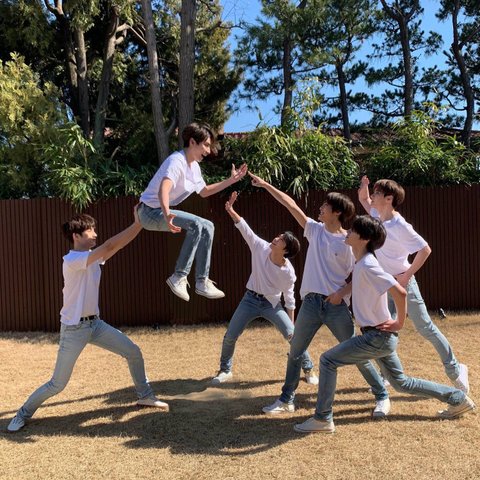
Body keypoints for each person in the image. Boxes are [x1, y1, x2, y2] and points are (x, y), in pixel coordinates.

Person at [294, 215, 476, 434]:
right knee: (401, 383)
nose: (348, 232)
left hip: (376, 337)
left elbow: (400, 291)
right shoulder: (363, 263)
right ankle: (458, 398)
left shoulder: (368, 265)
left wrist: (399, 322)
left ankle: (323, 418)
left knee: (327, 360)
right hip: (379, 337)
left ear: (364, 239)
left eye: (353, 230)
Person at [7, 207, 168, 433]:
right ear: (76, 236)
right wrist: (138, 222)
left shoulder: (93, 258)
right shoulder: (72, 260)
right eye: (90, 231)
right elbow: (109, 245)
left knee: (133, 351)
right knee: (57, 384)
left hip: (95, 325)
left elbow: (117, 246)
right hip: (74, 329)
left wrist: (139, 225)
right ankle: (22, 414)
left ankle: (145, 396)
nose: (95, 234)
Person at [249, 174, 389, 417]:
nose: (321, 208)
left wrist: (341, 293)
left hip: (336, 306)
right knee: (295, 351)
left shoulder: (349, 242)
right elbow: (290, 204)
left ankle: (382, 395)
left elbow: (359, 275)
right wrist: (265, 185)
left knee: (357, 354)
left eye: (326, 205)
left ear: (337, 212)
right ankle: (286, 399)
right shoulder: (314, 230)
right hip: (311, 304)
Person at [358, 176, 469, 393]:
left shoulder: (400, 225)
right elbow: (364, 199)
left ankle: (456, 370)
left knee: (425, 327)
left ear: (389, 199)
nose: (373, 197)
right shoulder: (377, 216)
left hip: (402, 282)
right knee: (383, 329)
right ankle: (387, 375)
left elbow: (425, 249)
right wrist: (365, 187)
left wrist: (406, 276)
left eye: (378, 193)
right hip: (385, 284)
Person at [211, 191, 318, 385]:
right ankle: (225, 370)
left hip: (272, 304)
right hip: (250, 299)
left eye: (281, 239)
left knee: (293, 336)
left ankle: (309, 369)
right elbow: (245, 229)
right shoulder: (261, 247)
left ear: (285, 250)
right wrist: (231, 210)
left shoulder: (288, 272)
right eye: (279, 236)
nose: (276, 238)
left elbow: (290, 299)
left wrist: (291, 325)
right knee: (230, 336)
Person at [138, 122, 247, 302]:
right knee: (196, 224)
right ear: (192, 142)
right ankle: (178, 276)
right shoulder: (176, 162)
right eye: (206, 145)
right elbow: (163, 189)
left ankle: (202, 281)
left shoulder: (194, 167)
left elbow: (204, 191)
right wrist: (167, 213)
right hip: (150, 212)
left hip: (160, 211)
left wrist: (231, 180)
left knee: (208, 225)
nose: (208, 151)